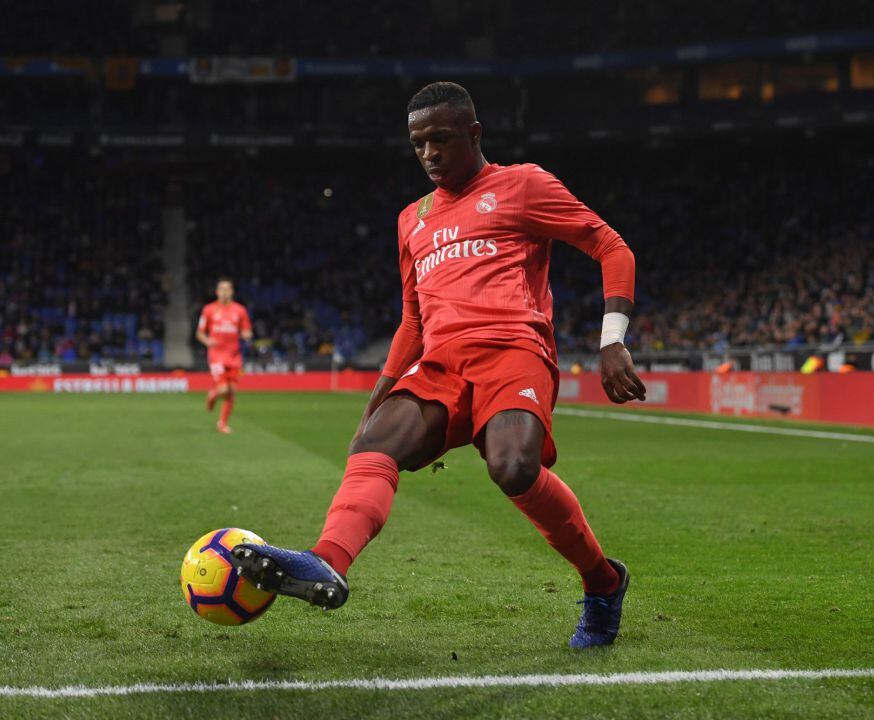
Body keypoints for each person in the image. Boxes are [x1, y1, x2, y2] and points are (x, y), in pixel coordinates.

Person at [230, 82, 646, 649]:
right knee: (372, 447)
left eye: (441, 139)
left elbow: (610, 246)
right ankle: (325, 562)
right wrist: (377, 398)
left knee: (513, 467)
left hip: (513, 349)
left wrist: (612, 340)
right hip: (440, 364)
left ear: (474, 135)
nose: (429, 153)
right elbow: (412, 321)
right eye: (418, 143)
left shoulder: (522, 185)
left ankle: (603, 582)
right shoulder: (412, 219)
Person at [196, 278, 253, 434]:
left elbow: (246, 329)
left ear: (232, 292)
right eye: (221, 289)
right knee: (222, 389)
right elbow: (200, 333)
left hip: (234, 356)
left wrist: (246, 334)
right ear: (217, 292)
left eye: (227, 289)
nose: (224, 292)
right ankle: (213, 393)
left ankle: (222, 424)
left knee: (232, 391)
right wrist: (208, 341)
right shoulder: (209, 310)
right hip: (216, 355)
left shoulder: (240, 311)